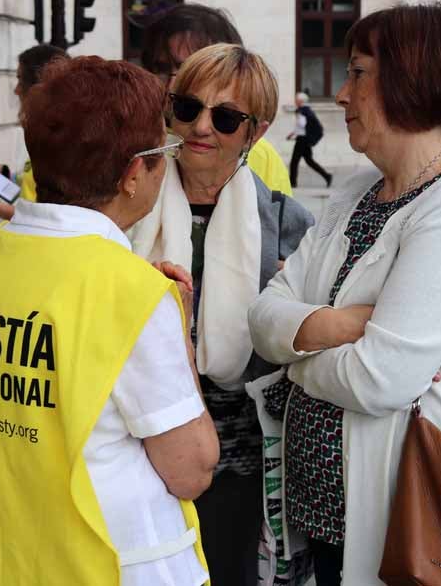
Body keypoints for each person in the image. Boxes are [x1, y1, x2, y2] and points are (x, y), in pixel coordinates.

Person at [0, 56, 219, 585]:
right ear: (132, 173)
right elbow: (191, 468)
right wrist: (179, 328)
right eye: (163, 152)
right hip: (105, 562)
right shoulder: (131, 290)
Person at [247, 2, 441, 586]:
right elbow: (264, 314)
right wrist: (342, 327)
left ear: (413, 81)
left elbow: (378, 379)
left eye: (358, 73)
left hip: (404, 527)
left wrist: (295, 358)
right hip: (318, 519)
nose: (341, 95)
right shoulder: (358, 192)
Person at [130, 43, 314, 585]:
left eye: (226, 117)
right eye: (187, 108)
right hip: (136, 438)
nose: (200, 127)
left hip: (237, 453)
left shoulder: (285, 223)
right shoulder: (128, 198)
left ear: (253, 134)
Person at [141, 2, 293, 196]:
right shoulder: (133, 141)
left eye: (190, 70)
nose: (172, 86)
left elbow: (276, 222)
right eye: (161, 70)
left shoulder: (261, 156)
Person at [0, 43, 68, 219]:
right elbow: (35, 183)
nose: (16, 90)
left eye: (20, 79)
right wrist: (6, 174)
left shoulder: (59, 138)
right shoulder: (50, 130)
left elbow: (49, 218)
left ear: (37, 87)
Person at [287, 92, 333, 188]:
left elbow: (302, 124)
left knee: (294, 161)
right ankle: (327, 176)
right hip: (305, 139)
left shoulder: (301, 111)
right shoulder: (307, 110)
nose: (295, 101)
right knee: (309, 161)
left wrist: (295, 132)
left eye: (296, 99)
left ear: (300, 101)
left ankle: (292, 183)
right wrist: (293, 134)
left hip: (302, 140)